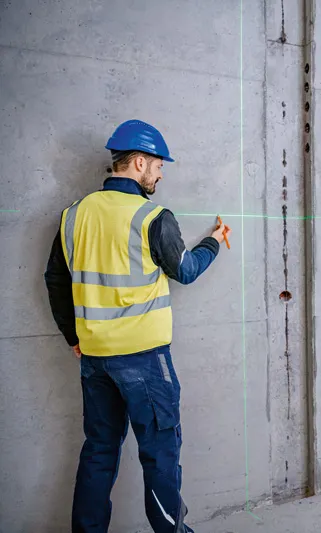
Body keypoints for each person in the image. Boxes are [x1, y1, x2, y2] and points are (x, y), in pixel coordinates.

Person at [44, 119, 230, 532]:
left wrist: (74, 336)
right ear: (140, 162)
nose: (161, 173)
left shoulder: (73, 215)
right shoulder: (152, 216)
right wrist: (214, 240)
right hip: (144, 361)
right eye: (159, 165)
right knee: (160, 452)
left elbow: (55, 280)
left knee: (99, 450)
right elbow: (184, 270)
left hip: (94, 358)